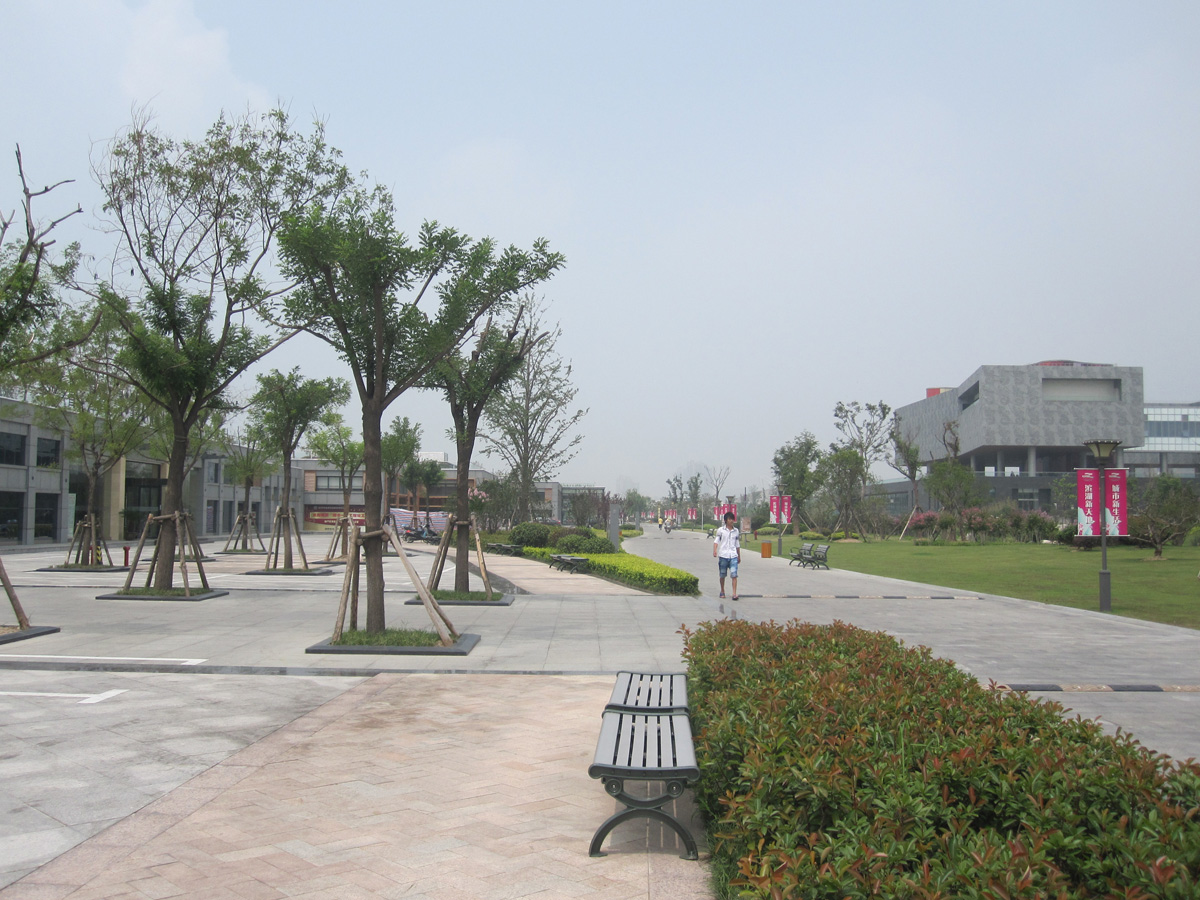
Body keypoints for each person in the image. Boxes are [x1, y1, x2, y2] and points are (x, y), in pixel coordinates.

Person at [712, 511, 740, 600]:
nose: (731, 521)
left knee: (734, 574)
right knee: (722, 574)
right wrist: (715, 550)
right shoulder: (721, 530)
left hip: (733, 555)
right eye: (730, 519)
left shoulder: (736, 531)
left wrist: (739, 556)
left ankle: (734, 593)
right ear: (726, 520)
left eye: (732, 519)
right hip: (723, 555)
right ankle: (722, 591)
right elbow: (716, 541)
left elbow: (737, 544)